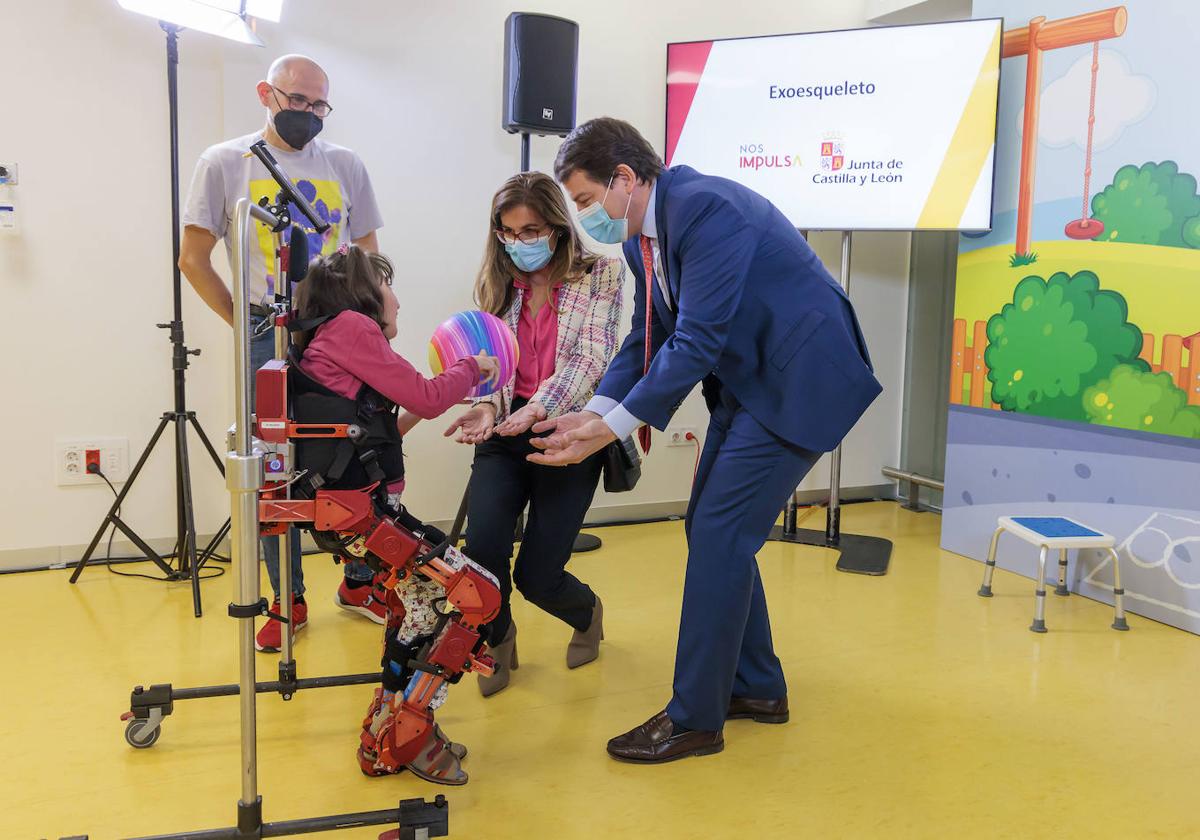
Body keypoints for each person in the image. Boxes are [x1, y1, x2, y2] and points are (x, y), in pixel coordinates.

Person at [533, 118, 882, 763]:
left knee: (721, 532)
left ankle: (694, 717)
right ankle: (756, 687)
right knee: (712, 529)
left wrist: (611, 430)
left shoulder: (705, 208)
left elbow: (698, 337)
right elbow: (648, 333)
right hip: (750, 384)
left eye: (586, 201)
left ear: (626, 180)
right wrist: (597, 410)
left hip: (798, 380)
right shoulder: (647, 235)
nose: (587, 218)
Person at [179, 54, 386, 651]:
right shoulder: (225, 162)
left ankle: (360, 580)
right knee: (274, 470)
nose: (308, 114)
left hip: (339, 332)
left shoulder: (345, 164)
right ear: (267, 94)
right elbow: (193, 259)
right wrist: (245, 326)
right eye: (297, 102)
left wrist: (371, 323)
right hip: (267, 331)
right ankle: (286, 599)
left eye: (319, 105)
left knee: (356, 455)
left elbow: (367, 257)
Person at [292, 244, 499, 785]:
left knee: (417, 612)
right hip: (365, 515)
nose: (398, 302)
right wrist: (469, 369)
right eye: (388, 287)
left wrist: (438, 399)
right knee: (479, 595)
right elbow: (429, 397)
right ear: (362, 292)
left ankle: (383, 738)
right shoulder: (351, 327)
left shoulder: (327, 339)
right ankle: (408, 734)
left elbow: (375, 426)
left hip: (356, 513)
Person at [443, 172, 624, 697]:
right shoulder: (495, 284)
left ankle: (587, 613)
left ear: (559, 227)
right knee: (482, 555)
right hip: (504, 428)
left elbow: (591, 359)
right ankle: (497, 642)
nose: (520, 244)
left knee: (539, 574)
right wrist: (483, 405)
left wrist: (540, 406)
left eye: (531, 231)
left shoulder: (601, 275)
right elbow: (489, 364)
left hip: (570, 432)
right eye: (508, 233)